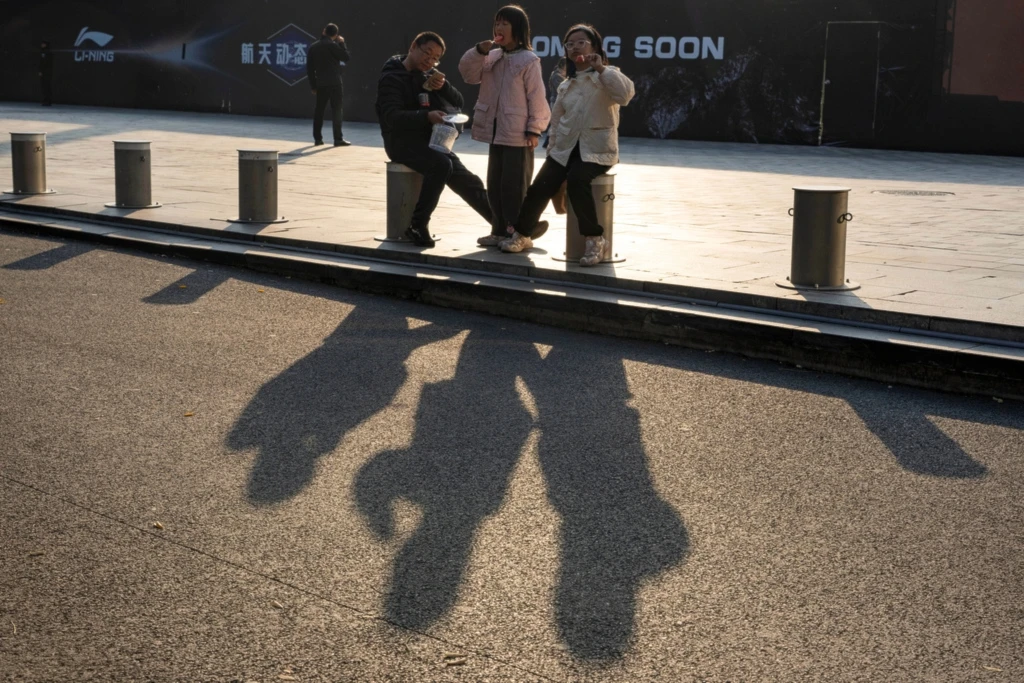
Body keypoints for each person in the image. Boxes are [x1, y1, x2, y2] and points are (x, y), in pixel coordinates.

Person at [505, 24, 634, 265]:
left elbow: (625, 95)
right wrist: (552, 152)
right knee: (539, 186)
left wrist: (601, 68)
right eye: (570, 44)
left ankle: (595, 240)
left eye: (581, 42)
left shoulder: (608, 75)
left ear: (595, 47)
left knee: (577, 180)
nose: (575, 48)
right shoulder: (566, 84)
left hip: (597, 151)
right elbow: (556, 123)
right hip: (565, 150)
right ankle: (522, 235)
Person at [376, 32, 493, 247]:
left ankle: (503, 226)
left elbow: (458, 101)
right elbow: (392, 117)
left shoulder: (428, 75)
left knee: (467, 179)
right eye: (427, 53)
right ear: (413, 46)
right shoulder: (391, 78)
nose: (429, 61)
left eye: (435, 58)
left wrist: (443, 86)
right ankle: (417, 224)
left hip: (431, 141)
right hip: (400, 143)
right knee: (441, 165)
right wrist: (426, 116)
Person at [459, 5, 550, 249]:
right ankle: (499, 231)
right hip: (495, 132)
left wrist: (534, 129)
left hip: (518, 134)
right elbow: (468, 74)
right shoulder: (491, 56)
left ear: (518, 29)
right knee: (496, 185)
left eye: (504, 24)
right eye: (496, 23)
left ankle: (520, 233)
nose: (498, 28)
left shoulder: (529, 60)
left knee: (515, 187)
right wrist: (479, 51)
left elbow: (537, 96)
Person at [307, 23, 351, 146]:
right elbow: (346, 57)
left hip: (321, 83)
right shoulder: (333, 45)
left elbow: (310, 69)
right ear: (336, 35)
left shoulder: (313, 47)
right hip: (335, 83)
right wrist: (342, 43)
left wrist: (313, 86)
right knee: (337, 110)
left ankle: (318, 139)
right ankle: (338, 139)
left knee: (319, 111)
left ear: (324, 31)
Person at [39, 41, 53, 106]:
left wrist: (44, 71)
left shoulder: (48, 53)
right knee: (44, 87)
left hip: (47, 72)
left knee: (47, 86)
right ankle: (45, 100)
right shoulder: (41, 52)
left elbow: (47, 63)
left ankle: (48, 100)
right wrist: (40, 71)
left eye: (43, 44)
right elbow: (40, 63)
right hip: (44, 72)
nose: (42, 45)